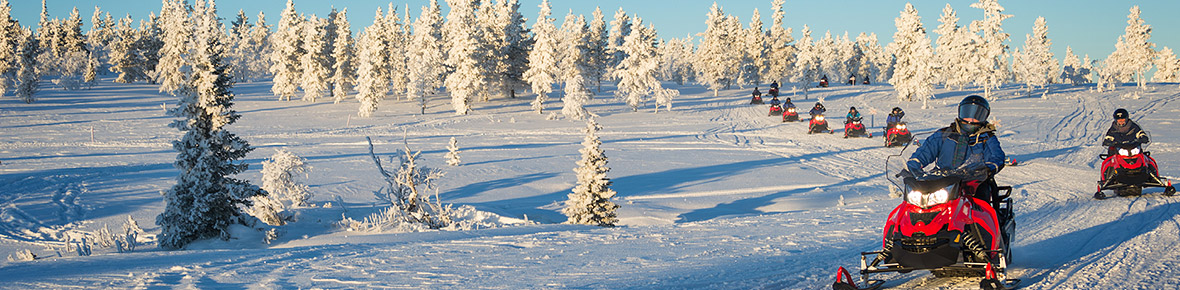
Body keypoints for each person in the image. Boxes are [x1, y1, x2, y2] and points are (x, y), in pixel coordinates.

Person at [906, 95, 1006, 202]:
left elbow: (996, 157)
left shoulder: (987, 138)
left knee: (981, 200)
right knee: (917, 200)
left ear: (984, 117)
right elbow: (925, 152)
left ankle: (983, 218)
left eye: (977, 115)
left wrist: (987, 169)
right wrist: (914, 166)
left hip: (973, 181)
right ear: (961, 112)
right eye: (967, 113)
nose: (971, 119)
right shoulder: (944, 134)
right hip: (941, 179)